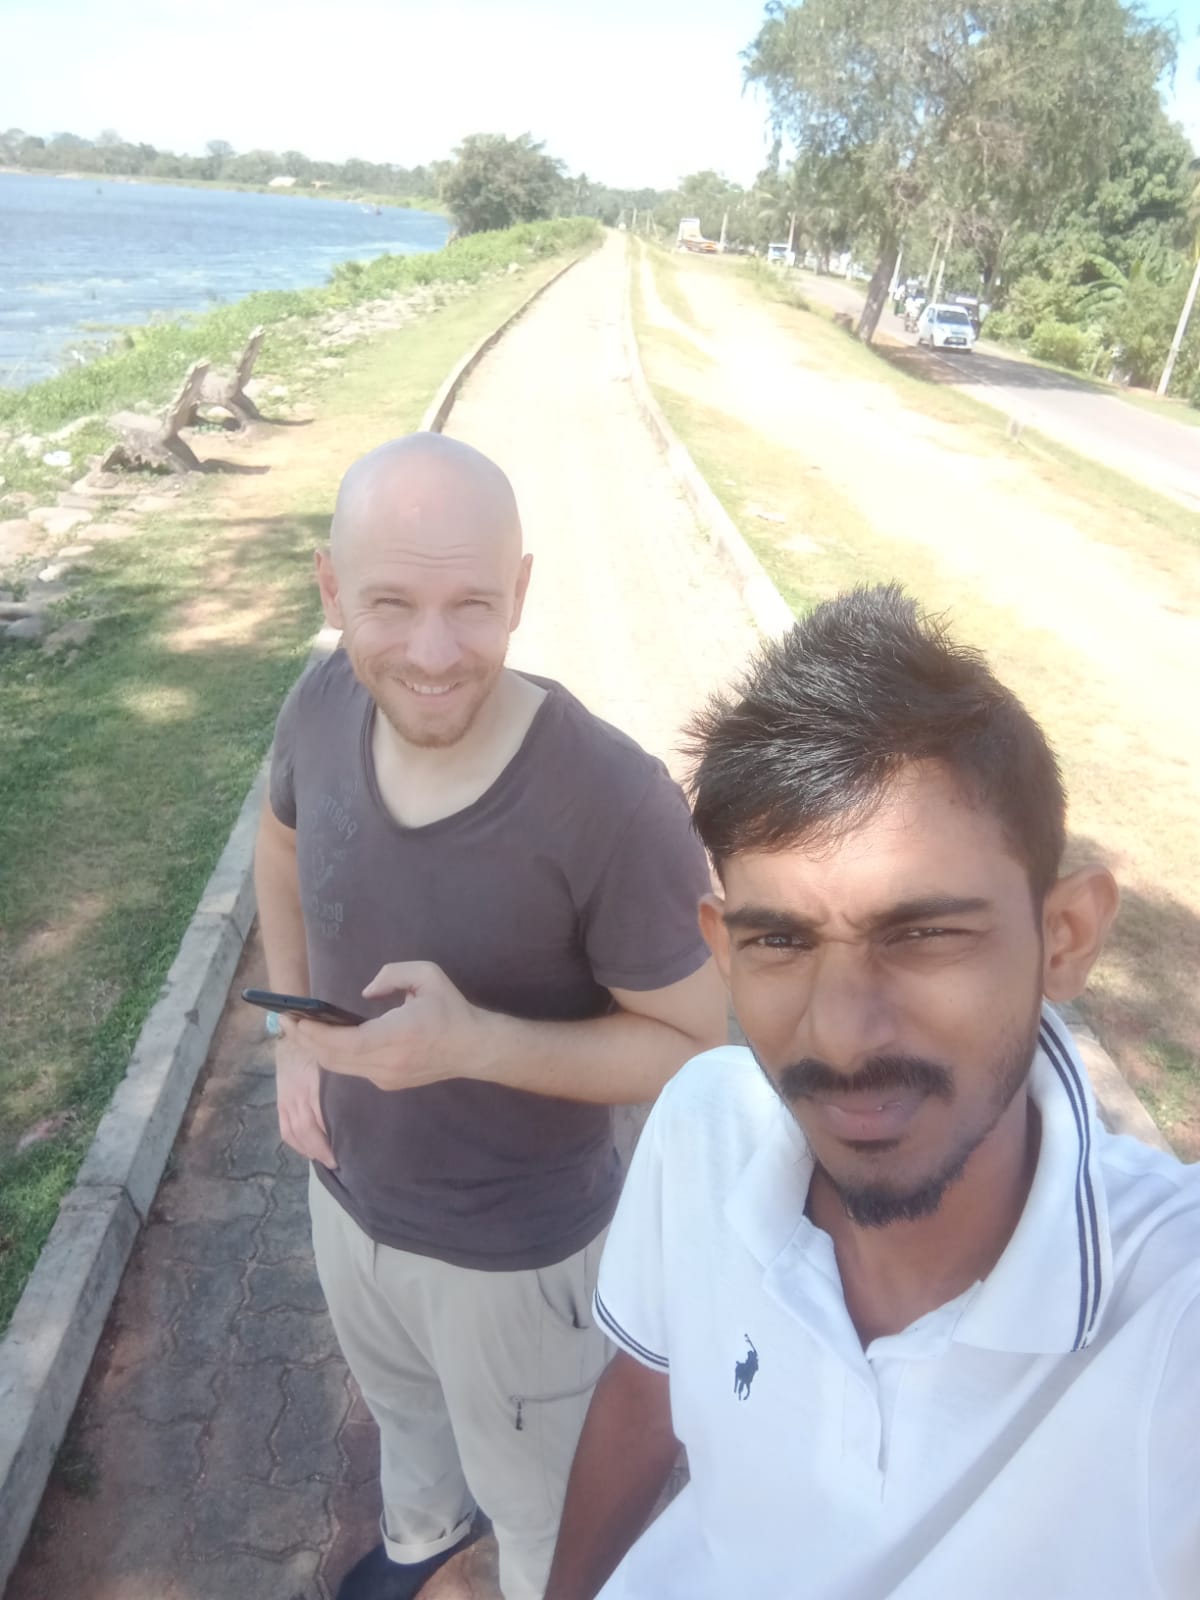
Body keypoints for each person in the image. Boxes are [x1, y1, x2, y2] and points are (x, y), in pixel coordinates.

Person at [543, 586, 1200, 1600]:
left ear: (1064, 937)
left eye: (923, 933)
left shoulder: (1166, 1316)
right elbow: (643, 1390)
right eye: (781, 940)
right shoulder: (702, 1123)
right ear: (721, 947)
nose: (843, 1032)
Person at [254, 433, 727, 1600]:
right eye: (390, 604)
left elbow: (707, 1046)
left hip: (519, 1265)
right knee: (404, 1422)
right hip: (349, 1206)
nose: (429, 652)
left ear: (521, 590)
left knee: (543, 1514)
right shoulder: (321, 699)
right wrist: (288, 1046)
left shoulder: (613, 803)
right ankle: (419, 1544)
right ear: (330, 592)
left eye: (472, 604)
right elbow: (280, 842)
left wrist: (478, 1045)